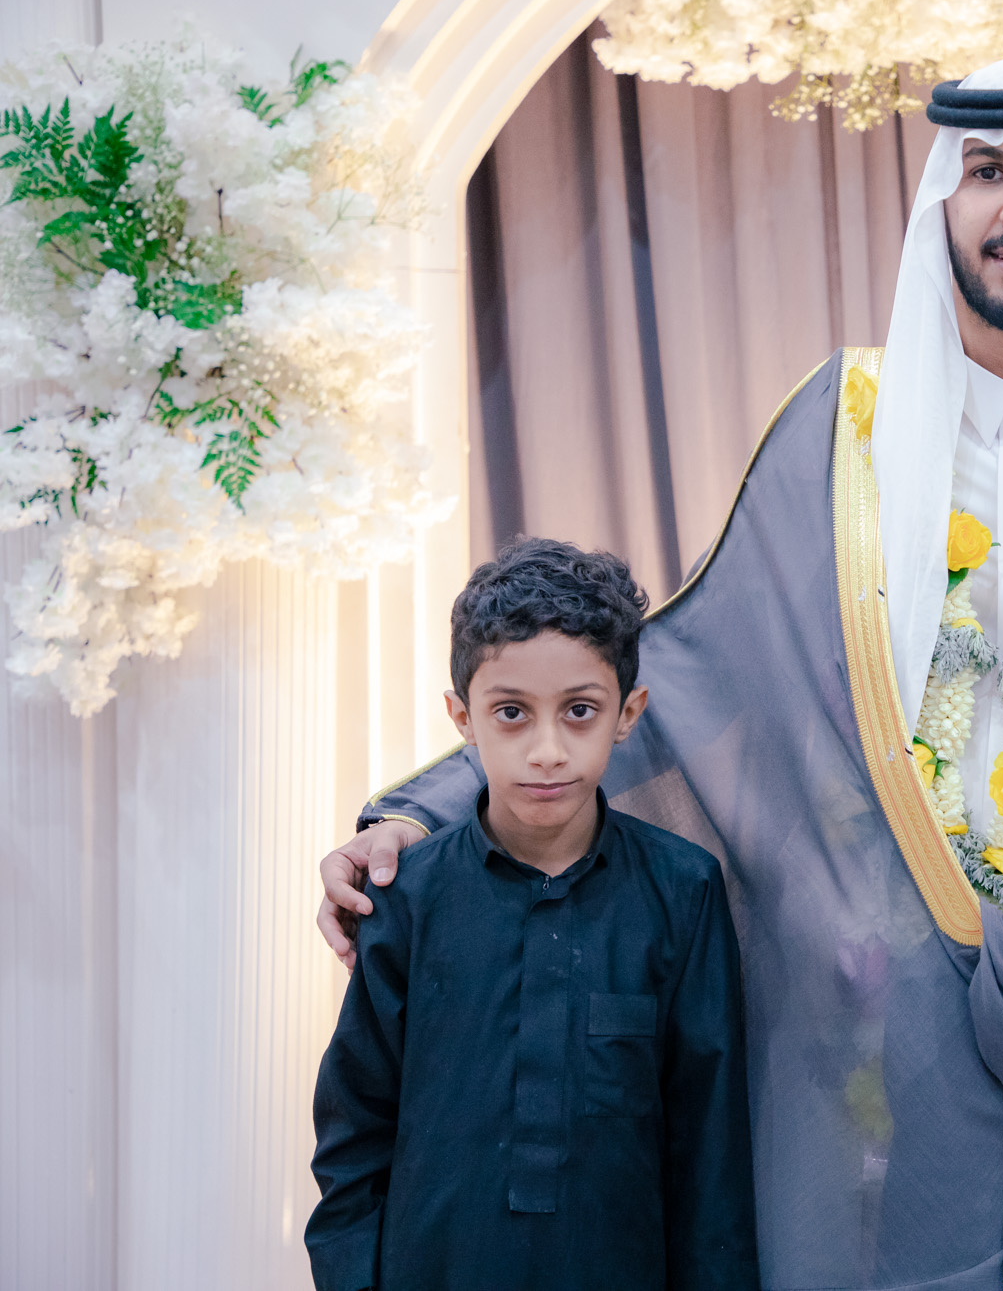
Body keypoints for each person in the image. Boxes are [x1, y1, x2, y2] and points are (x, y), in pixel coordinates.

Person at [318, 55, 1003, 1291]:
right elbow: (684, 675)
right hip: (895, 1059)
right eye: (986, 171)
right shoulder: (842, 434)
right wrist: (423, 813)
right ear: (939, 202)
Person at [304, 539, 755, 1291]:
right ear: (462, 717)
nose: (547, 750)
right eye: (511, 712)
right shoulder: (406, 897)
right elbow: (353, 1136)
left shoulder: (684, 890)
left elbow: (711, 1155)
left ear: (627, 713)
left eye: (580, 711)